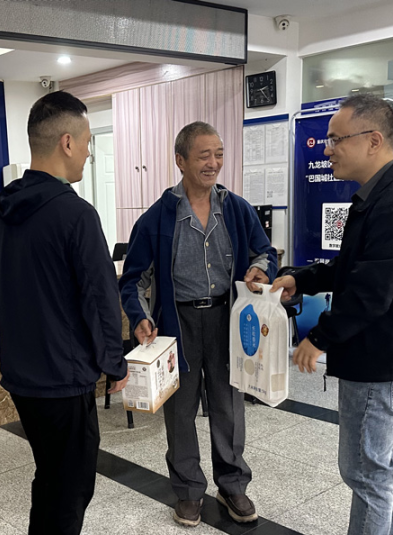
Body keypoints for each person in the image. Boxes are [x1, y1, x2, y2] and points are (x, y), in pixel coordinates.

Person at [271, 94, 393, 535]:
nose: (327, 148)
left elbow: (371, 292)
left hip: (381, 359)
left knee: (364, 471)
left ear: (373, 140)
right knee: (377, 463)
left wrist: (319, 337)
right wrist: (302, 279)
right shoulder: (379, 194)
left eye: (336, 139)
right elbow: (353, 267)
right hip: (382, 353)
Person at [119, 121, 277, 528]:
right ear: (181, 160)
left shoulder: (236, 209)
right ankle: (188, 491)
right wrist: (141, 316)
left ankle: (232, 484)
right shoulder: (157, 218)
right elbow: (134, 279)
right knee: (181, 410)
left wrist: (260, 270)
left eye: (219, 154)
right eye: (204, 155)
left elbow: (265, 253)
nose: (213, 163)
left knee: (228, 405)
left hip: (227, 319)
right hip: (178, 322)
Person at [0, 90, 129, 535]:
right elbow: (100, 300)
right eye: (87, 142)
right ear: (67, 142)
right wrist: (114, 363)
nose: (89, 152)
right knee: (70, 490)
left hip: (22, 375)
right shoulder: (75, 214)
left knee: (49, 476)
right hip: (63, 380)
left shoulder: (4, 211)